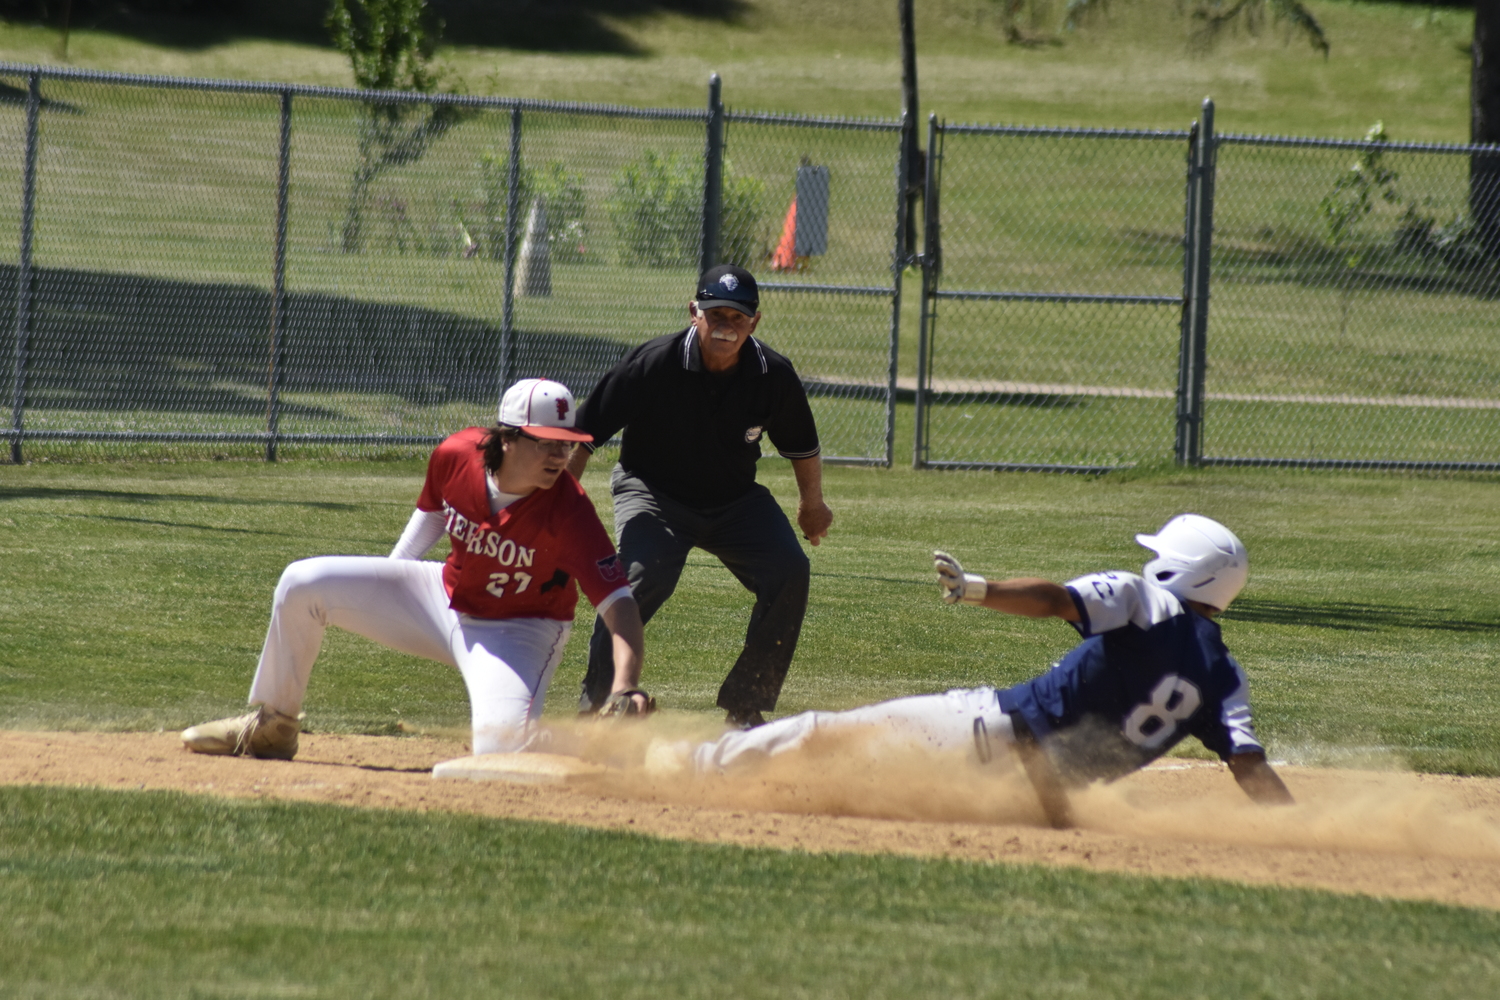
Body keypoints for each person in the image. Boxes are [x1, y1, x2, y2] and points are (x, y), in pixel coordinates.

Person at [668, 514, 1292, 826]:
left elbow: (1054, 601)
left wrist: (977, 589)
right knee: (875, 789)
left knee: (823, 733)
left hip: (991, 728)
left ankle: (693, 769)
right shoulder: (1225, 676)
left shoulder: (1145, 599)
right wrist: (1297, 832)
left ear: (1181, 570)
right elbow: (1249, 765)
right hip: (1042, 797)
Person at [181, 379, 649, 761]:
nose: (559, 458)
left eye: (565, 446)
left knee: (500, 749)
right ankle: (274, 727)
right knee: (302, 583)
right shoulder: (457, 453)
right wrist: (389, 583)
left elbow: (618, 603)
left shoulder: (569, 509)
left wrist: (625, 685)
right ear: (506, 439)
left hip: (520, 631)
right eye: (546, 444)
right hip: (440, 599)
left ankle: (600, 747)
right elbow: (433, 514)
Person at [567, 264, 834, 729]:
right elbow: (582, 437)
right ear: (695, 313)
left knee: (789, 570)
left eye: (737, 317)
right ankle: (599, 704)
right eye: (715, 314)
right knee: (638, 577)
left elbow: (802, 447)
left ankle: (746, 707)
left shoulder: (773, 375)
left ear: (755, 322)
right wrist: (561, 507)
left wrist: (812, 505)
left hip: (734, 501)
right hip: (653, 492)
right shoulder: (652, 364)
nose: (726, 327)